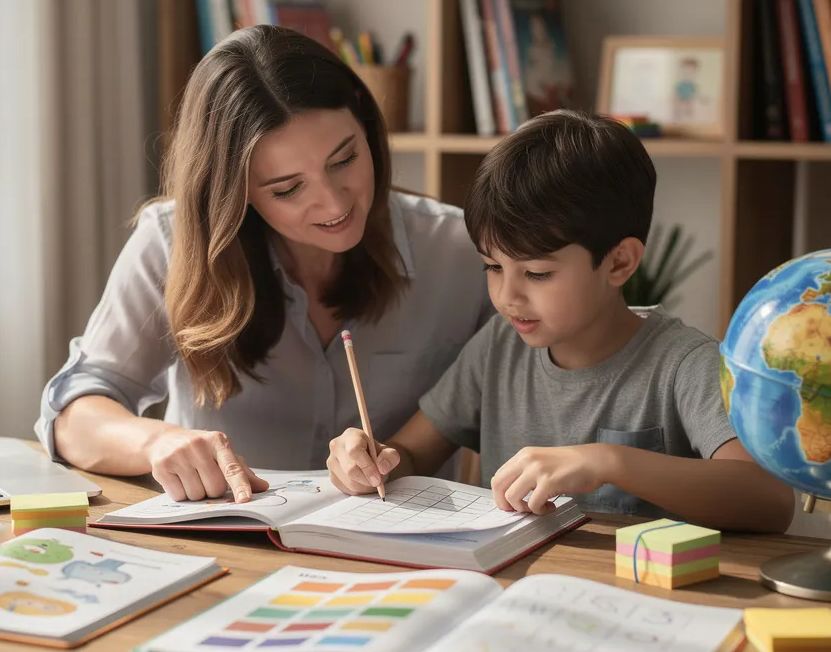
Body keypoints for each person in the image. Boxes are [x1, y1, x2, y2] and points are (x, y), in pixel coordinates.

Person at [35, 25, 493, 505]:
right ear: (236, 191)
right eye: (287, 188)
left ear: (366, 125)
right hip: (233, 546)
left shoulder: (459, 250)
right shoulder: (172, 244)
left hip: (405, 551)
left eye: (344, 159)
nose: (333, 201)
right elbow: (72, 415)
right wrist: (156, 441)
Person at [325, 110, 793, 534]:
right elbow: (407, 454)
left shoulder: (683, 364)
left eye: (537, 273)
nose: (507, 296)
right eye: (492, 267)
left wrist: (609, 462)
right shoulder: (497, 348)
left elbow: (768, 499)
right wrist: (369, 460)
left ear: (619, 263)